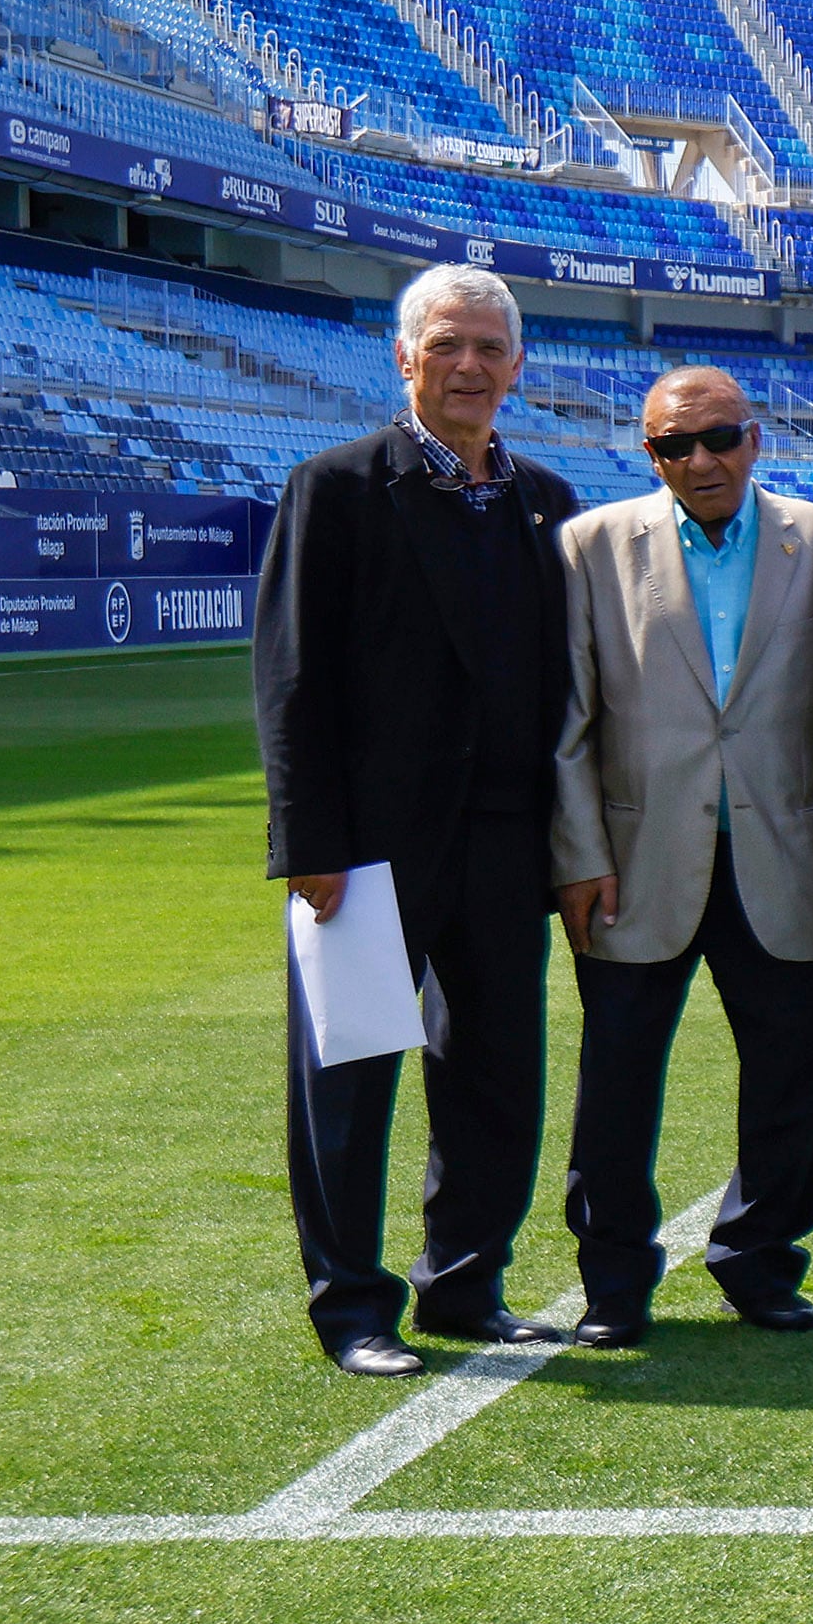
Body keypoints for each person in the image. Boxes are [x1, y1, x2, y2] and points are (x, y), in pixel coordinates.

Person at [254, 263, 582, 1374]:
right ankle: (351, 1308)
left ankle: (463, 1287)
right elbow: (291, 679)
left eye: (490, 348)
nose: (470, 366)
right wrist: (310, 843)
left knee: (495, 1076)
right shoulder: (338, 487)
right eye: (448, 344)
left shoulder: (546, 501)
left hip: (506, 842)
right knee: (347, 1082)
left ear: (517, 368)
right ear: (404, 358)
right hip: (368, 851)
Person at [549, 369, 813, 1346]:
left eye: (720, 438)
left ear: (756, 440)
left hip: (792, 860)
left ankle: (759, 1263)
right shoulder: (589, 548)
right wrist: (577, 855)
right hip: (635, 858)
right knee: (616, 1089)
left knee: (790, 1083)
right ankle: (614, 1282)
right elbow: (566, 726)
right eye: (673, 446)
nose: (699, 460)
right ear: (646, 453)